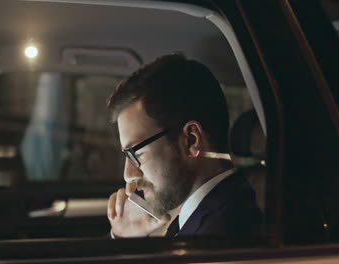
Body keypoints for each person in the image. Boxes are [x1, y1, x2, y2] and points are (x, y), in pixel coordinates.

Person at [106, 54, 262, 238]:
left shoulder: (213, 237)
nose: (128, 175)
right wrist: (122, 236)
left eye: (136, 153)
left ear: (191, 140)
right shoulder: (220, 210)